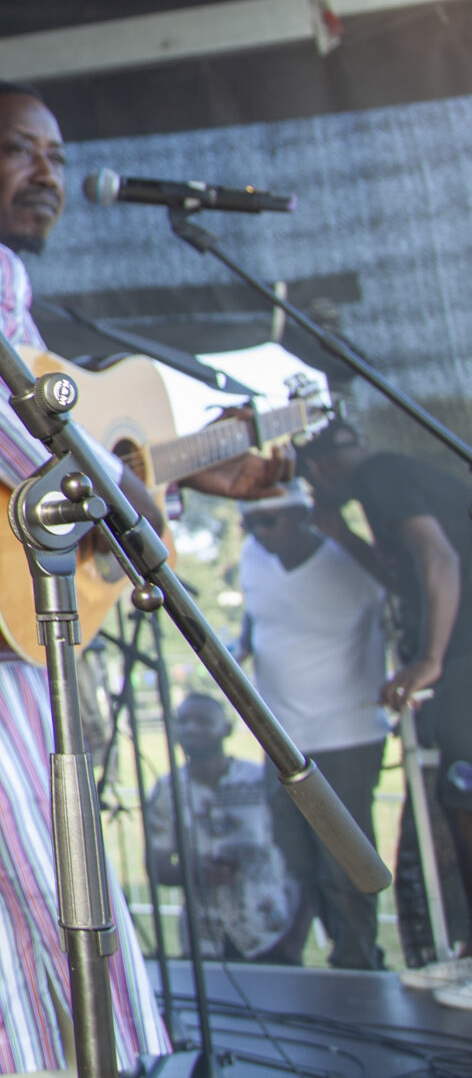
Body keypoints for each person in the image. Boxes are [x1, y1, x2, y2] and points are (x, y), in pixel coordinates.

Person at [0, 81, 290, 1078]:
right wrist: (119, 487)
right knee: (31, 913)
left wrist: (176, 470)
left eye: (59, 158)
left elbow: (2, 456)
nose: (48, 175)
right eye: (21, 150)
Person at [299, 418, 472, 994]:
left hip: (464, 655)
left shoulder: (380, 475)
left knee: (465, 793)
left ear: (320, 468)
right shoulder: (388, 480)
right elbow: (408, 580)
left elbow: (439, 559)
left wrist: (430, 659)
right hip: (460, 655)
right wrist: (344, 537)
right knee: (457, 794)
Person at [235, 486, 389, 967]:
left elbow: (401, 600)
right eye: (250, 524)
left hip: (346, 734)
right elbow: (257, 614)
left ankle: (358, 963)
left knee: (343, 863)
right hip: (280, 736)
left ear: (303, 514)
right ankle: (320, 958)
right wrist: (241, 647)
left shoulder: (350, 564)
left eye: (270, 521)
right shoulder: (252, 557)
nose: (260, 534)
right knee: (293, 858)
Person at [143, 695, 304, 964]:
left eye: (203, 721)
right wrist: (195, 873)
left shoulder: (261, 781)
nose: (191, 728)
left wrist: (295, 939)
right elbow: (156, 865)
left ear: (226, 729)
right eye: (183, 721)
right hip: (203, 938)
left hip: (269, 932)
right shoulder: (167, 790)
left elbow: (302, 861)